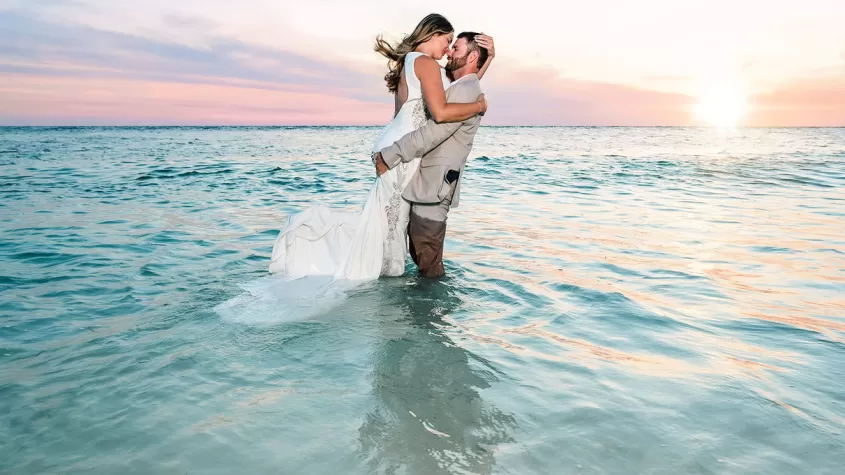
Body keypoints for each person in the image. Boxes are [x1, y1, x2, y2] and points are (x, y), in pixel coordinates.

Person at [269, 14, 495, 280]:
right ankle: (379, 278)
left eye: (452, 46)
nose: (447, 50)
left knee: (382, 221)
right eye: (447, 41)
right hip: (400, 151)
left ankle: (386, 279)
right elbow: (443, 110)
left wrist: (485, 60)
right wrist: (480, 106)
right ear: (433, 34)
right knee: (388, 226)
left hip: (394, 141)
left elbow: (462, 83)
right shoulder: (426, 64)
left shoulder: (410, 62)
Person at [372, 31, 488, 278]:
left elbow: (431, 134)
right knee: (421, 254)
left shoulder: (466, 90)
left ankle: (431, 315)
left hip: (435, 186)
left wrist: (390, 154)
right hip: (428, 184)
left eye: (455, 48)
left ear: (472, 56)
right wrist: (489, 60)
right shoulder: (463, 87)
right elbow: (467, 77)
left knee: (429, 262)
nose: (449, 52)